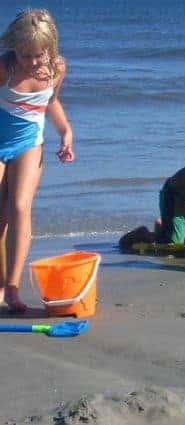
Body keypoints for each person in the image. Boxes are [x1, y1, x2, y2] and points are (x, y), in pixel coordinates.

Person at [0, 9, 73, 313]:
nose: (31, 62)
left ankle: (13, 288)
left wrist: (66, 131)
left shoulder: (56, 68)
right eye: (24, 55)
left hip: (29, 143)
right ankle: (1, 284)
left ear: (50, 49)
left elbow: (51, 102)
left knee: (19, 207)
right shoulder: (4, 69)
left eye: (37, 55)